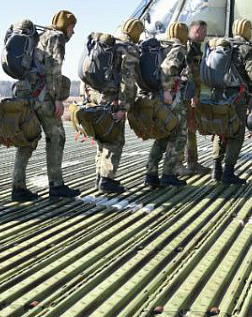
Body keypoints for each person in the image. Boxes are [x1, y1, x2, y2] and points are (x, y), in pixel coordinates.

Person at [12, 10, 82, 201]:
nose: (72, 32)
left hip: (25, 92)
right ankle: (56, 185)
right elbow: (54, 69)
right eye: (71, 27)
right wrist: (57, 98)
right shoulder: (57, 38)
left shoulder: (40, 36)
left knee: (28, 138)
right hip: (42, 95)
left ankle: (18, 187)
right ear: (65, 26)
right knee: (57, 135)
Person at [83, 17, 143, 194]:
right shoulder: (128, 48)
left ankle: (100, 176)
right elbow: (128, 80)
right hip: (113, 100)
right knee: (115, 140)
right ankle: (107, 180)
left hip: (97, 96)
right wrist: (124, 106)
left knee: (102, 138)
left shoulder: (109, 44)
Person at [212, 17, 252, 185]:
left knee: (221, 130)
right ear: (246, 31)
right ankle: (228, 173)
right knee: (236, 134)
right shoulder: (247, 49)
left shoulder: (222, 46)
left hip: (218, 95)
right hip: (237, 97)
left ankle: (216, 169)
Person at [145, 21, 190, 188]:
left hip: (157, 97)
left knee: (163, 136)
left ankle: (151, 174)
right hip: (171, 98)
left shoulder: (162, 46)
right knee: (179, 134)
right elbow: (168, 68)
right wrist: (167, 90)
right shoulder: (178, 49)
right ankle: (168, 174)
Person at [179, 19, 210, 176]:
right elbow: (189, 72)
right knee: (183, 129)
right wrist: (193, 95)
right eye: (204, 31)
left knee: (191, 128)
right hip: (187, 95)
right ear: (196, 31)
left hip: (191, 93)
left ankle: (192, 163)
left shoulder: (195, 47)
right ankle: (179, 164)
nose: (205, 34)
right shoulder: (189, 48)